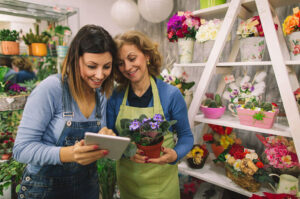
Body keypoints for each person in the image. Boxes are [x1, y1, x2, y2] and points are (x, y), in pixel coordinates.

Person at [13, 24, 117, 199]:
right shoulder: (52, 88)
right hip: (45, 189)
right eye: (92, 66)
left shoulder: (100, 95)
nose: (100, 75)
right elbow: (21, 150)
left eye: (106, 66)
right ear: (75, 60)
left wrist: (104, 137)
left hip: (87, 187)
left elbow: (93, 141)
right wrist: (68, 154)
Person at [106, 30, 194, 199]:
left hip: (161, 187)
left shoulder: (170, 94)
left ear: (146, 55)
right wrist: (126, 151)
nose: (128, 67)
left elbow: (186, 136)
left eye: (132, 59)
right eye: (120, 63)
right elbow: (111, 138)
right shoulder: (115, 97)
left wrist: (175, 154)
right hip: (127, 185)